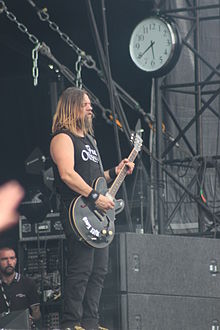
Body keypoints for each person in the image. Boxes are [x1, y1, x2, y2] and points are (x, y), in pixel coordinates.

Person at [50, 87, 134, 330]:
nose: (90, 108)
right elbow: (67, 174)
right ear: (72, 106)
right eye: (85, 104)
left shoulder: (91, 141)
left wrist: (114, 173)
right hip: (77, 212)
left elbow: (95, 178)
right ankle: (71, 323)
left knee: (99, 270)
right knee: (81, 269)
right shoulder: (62, 138)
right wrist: (96, 197)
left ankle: (89, 322)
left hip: (94, 213)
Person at [0, 247, 41, 328]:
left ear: (16, 260)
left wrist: (31, 319)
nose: (9, 262)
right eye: (4, 259)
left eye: (12, 258)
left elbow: (36, 313)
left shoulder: (27, 283)